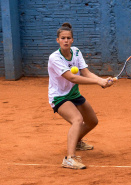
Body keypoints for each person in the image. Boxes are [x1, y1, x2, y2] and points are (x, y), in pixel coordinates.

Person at [48, 22, 114, 169]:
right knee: (77, 119)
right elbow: (72, 78)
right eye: (63, 38)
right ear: (57, 40)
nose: (65, 40)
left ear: (72, 40)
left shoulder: (76, 52)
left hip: (73, 94)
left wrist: (101, 80)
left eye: (68, 38)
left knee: (92, 121)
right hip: (59, 96)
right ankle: (69, 159)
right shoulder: (55, 58)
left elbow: (86, 73)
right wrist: (98, 83)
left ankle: (77, 141)